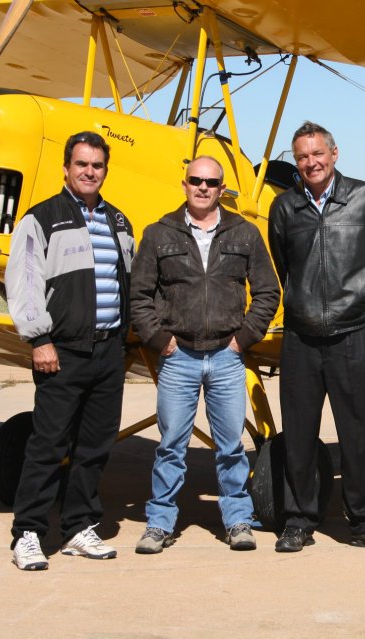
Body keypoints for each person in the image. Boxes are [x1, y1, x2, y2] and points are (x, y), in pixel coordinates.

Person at [129, 156, 280, 553]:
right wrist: (160, 341)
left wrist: (244, 338)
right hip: (178, 356)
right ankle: (159, 523)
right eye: (195, 180)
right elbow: (139, 295)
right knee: (170, 445)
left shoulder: (244, 234)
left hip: (228, 357)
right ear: (184, 184)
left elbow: (267, 291)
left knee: (230, 446)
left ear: (221, 188)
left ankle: (238, 521)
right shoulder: (158, 234)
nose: (202, 187)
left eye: (211, 183)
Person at [267, 121, 365, 553]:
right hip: (301, 339)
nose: (311, 163)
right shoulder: (285, 208)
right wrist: (306, 304)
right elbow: (283, 262)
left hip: (353, 336)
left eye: (317, 154)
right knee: (300, 436)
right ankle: (299, 520)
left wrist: (361, 299)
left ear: (334, 153)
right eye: (302, 157)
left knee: (359, 435)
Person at [5, 131, 135, 570]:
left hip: (108, 351)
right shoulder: (42, 218)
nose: (89, 172)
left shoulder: (119, 221)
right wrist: (39, 339)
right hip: (61, 351)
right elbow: (23, 281)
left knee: (95, 446)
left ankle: (79, 525)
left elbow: (127, 284)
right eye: (81, 164)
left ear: (105, 170)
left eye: (97, 165)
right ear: (66, 168)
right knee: (47, 445)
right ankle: (28, 533)